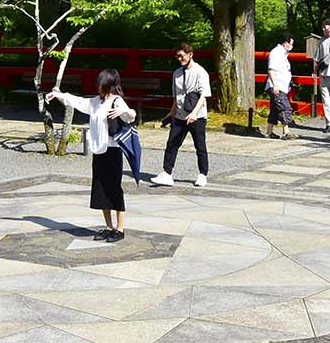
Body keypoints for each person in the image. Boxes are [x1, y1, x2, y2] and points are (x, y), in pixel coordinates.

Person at [51, 69, 137, 241]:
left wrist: (123, 112)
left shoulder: (117, 101)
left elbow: (131, 115)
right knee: (100, 189)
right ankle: (108, 226)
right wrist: (58, 94)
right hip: (98, 151)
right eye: (98, 83)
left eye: (101, 83)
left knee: (114, 189)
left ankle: (120, 229)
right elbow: (78, 101)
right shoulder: (95, 102)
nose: (99, 86)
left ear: (110, 84)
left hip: (112, 151)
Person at [151, 42, 212, 188]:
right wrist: (171, 113)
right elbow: (176, 96)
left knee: (200, 146)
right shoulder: (177, 73)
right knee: (172, 144)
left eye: (182, 56)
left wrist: (194, 113)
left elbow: (204, 96)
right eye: (177, 56)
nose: (179, 59)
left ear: (190, 55)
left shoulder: (201, 72)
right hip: (179, 115)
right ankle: (167, 173)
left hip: (197, 115)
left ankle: (203, 174)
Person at [265, 30, 297, 139]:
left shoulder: (283, 54)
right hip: (277, 85)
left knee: (275, 108)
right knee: (284, 107)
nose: (291, 46)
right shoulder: (276, 53)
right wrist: (275, 85)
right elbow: (271, 70)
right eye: (291, 44)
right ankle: (286, 132)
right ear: (285, 43)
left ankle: (269, 132)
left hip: (282, 86)